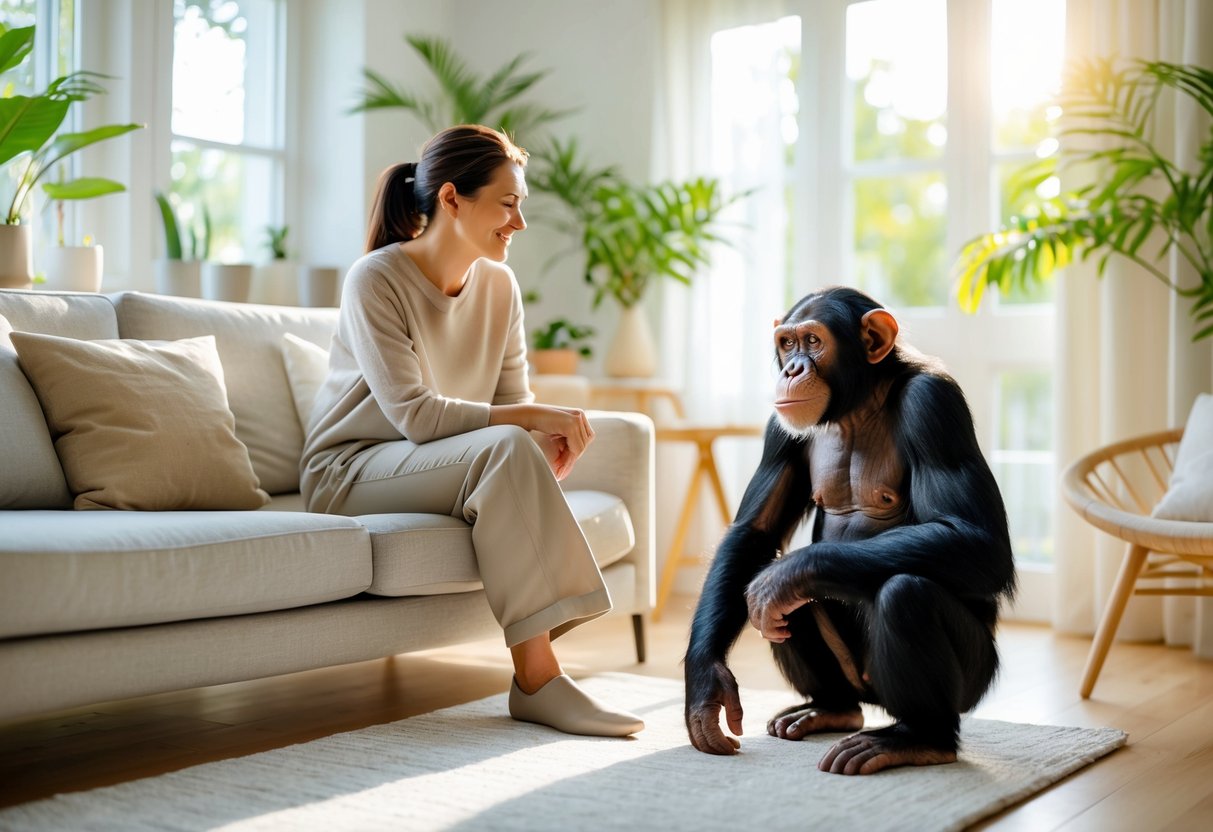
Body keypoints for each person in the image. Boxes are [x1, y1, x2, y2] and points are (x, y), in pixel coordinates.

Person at [300, 124, 643, 737]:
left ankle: (540, 678)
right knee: (511, 441)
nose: (519, 222)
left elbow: (511, 402)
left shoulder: (500, 285)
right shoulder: (375, 279)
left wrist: (540, 446)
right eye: (507, 203)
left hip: (430, 465)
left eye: (521, 205)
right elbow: (417, 416)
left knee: (514, 445)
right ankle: (538, 681)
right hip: (349, 471)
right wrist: (528, 427)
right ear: (453, 199)